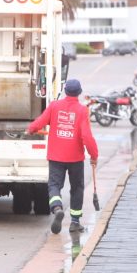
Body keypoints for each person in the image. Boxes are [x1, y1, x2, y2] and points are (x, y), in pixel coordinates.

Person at [27, 79, 98, 234]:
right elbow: (87, 136)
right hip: (75, 158)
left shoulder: (54, 106)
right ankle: (74, 222)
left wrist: (31, 129)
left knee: (54, 185)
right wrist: (94, 155)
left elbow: (41, 121)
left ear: (65, 91)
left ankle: (57, 207)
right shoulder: (81, 110)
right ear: (79, 93)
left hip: (56, 156)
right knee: (77, 189)